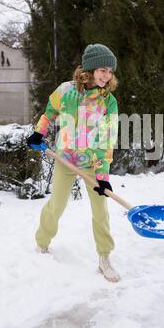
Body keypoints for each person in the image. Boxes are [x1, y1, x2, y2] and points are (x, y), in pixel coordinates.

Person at [27, 44, 120, 282]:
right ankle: (42, 244)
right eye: (101, 69)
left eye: (109, 71)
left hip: (92, 162)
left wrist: (103, 174)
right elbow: (49, 114)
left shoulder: (108, 102)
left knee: (101, 210)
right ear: (88, 69)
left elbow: (108, 139)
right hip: (65, 159)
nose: (106, 75)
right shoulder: (65, 91)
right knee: (56, 204)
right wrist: (40, 132)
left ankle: (104, 257)